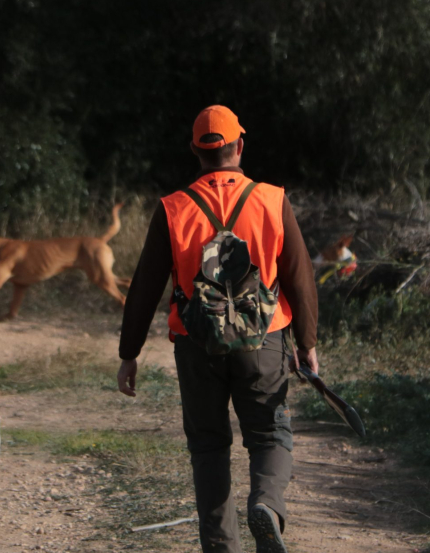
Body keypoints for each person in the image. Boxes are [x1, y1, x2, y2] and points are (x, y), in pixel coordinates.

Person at [117, 105, 319, 553]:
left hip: (197, 344)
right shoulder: (271, 199)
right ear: (239, 146)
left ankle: (221, 548)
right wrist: (306, 343)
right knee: (268, 433)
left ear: (195, 151)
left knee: (209, 448)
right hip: (263, 340)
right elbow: (299, 275)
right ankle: (266, 503)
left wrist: (128, 353)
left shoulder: (173, 208)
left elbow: (145, 286)